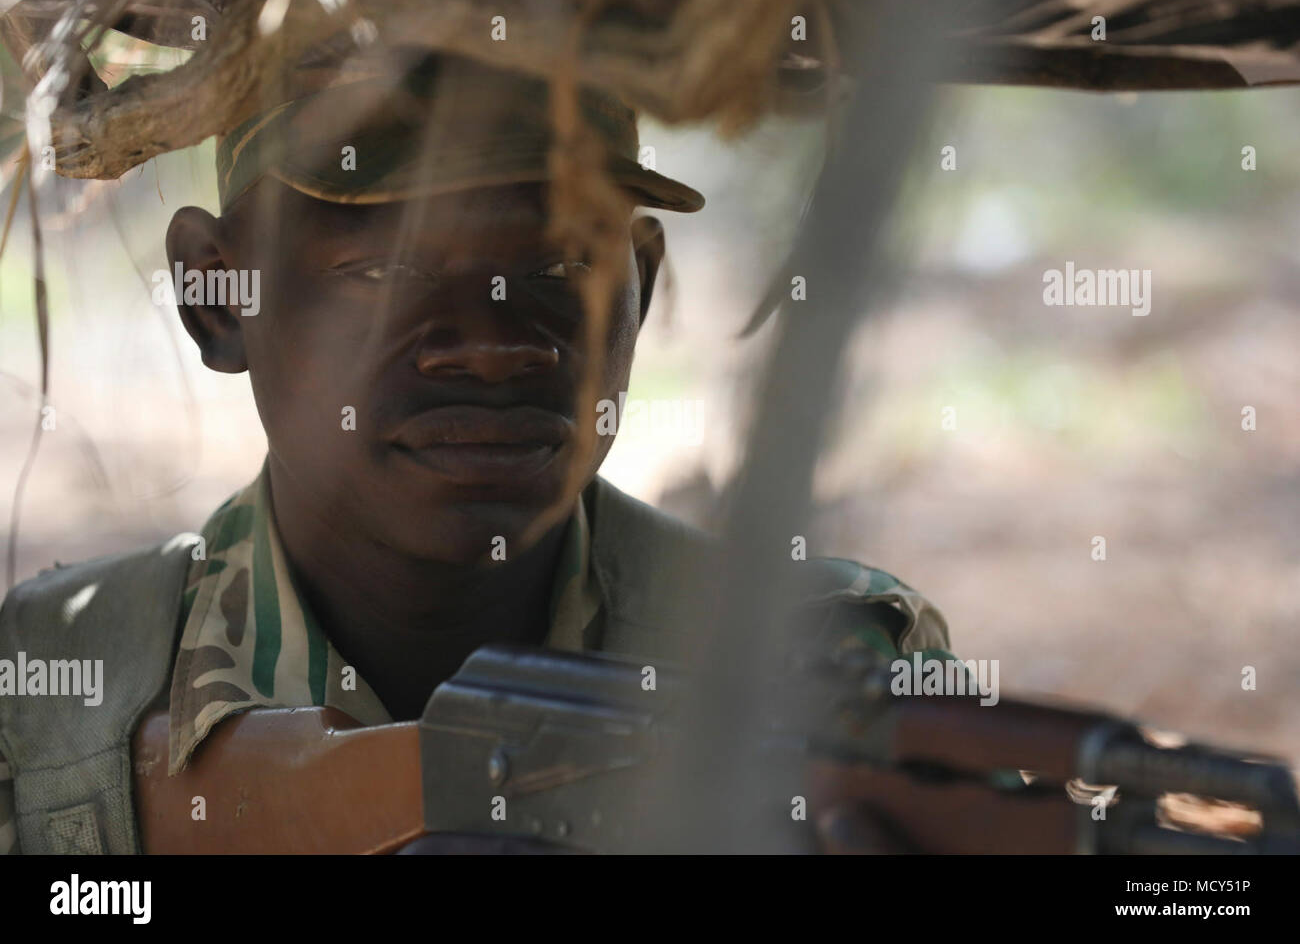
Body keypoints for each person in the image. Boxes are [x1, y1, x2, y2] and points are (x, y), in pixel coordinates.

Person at [0, 46, 953, 854]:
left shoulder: (839, 660)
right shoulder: (47, 711)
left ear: (644, 286)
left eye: (562, 268)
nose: (496, 346)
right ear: (217, 297)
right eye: (382, 272)